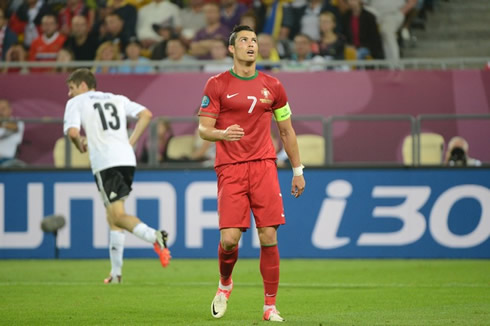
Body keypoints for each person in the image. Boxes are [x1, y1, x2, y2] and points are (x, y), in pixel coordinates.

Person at [198, 25, 305, 322]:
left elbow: (286, 129)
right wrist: (221, 133)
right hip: (230, 168)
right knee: (230, 240)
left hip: (264, 166)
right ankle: (225, 284)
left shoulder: (274, 86)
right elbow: (203, 129)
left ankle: (269, 306)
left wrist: (297, 169)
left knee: (268, 235)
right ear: (232, 49)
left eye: (254, 40)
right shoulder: (217, 84)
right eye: (244, 40)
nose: (251, 44)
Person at [63, 68, 171, 283]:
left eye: (72, 88)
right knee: (112, 214)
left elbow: (73, 132)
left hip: (106, 162)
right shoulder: (116, 98)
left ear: (83, 86)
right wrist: (130, 142)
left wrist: (79, 145)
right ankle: (116, 273)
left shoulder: (78, 102)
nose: (69, 93)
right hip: (126, 159)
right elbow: (146, 114)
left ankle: (155, 237)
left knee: (117, 216)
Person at [0, 98, 24, 166]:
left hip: (7, 161)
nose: (0, 111)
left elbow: (14, 127)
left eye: (3, 108)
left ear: (10, 110)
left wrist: (2, 122)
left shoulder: (17, 122)